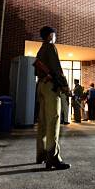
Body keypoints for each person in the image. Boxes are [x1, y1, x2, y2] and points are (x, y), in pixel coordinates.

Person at [34, 26, 70, 170]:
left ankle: (41, 155)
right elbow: (57, 68)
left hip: (41, 85)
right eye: (54, 35)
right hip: (50, 88)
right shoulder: (50, 47)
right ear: (50, 36)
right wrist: (66, 87)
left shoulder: (41, 49)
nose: (55, 38)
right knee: (53, 120)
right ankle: (53, 158)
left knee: (42, 122)